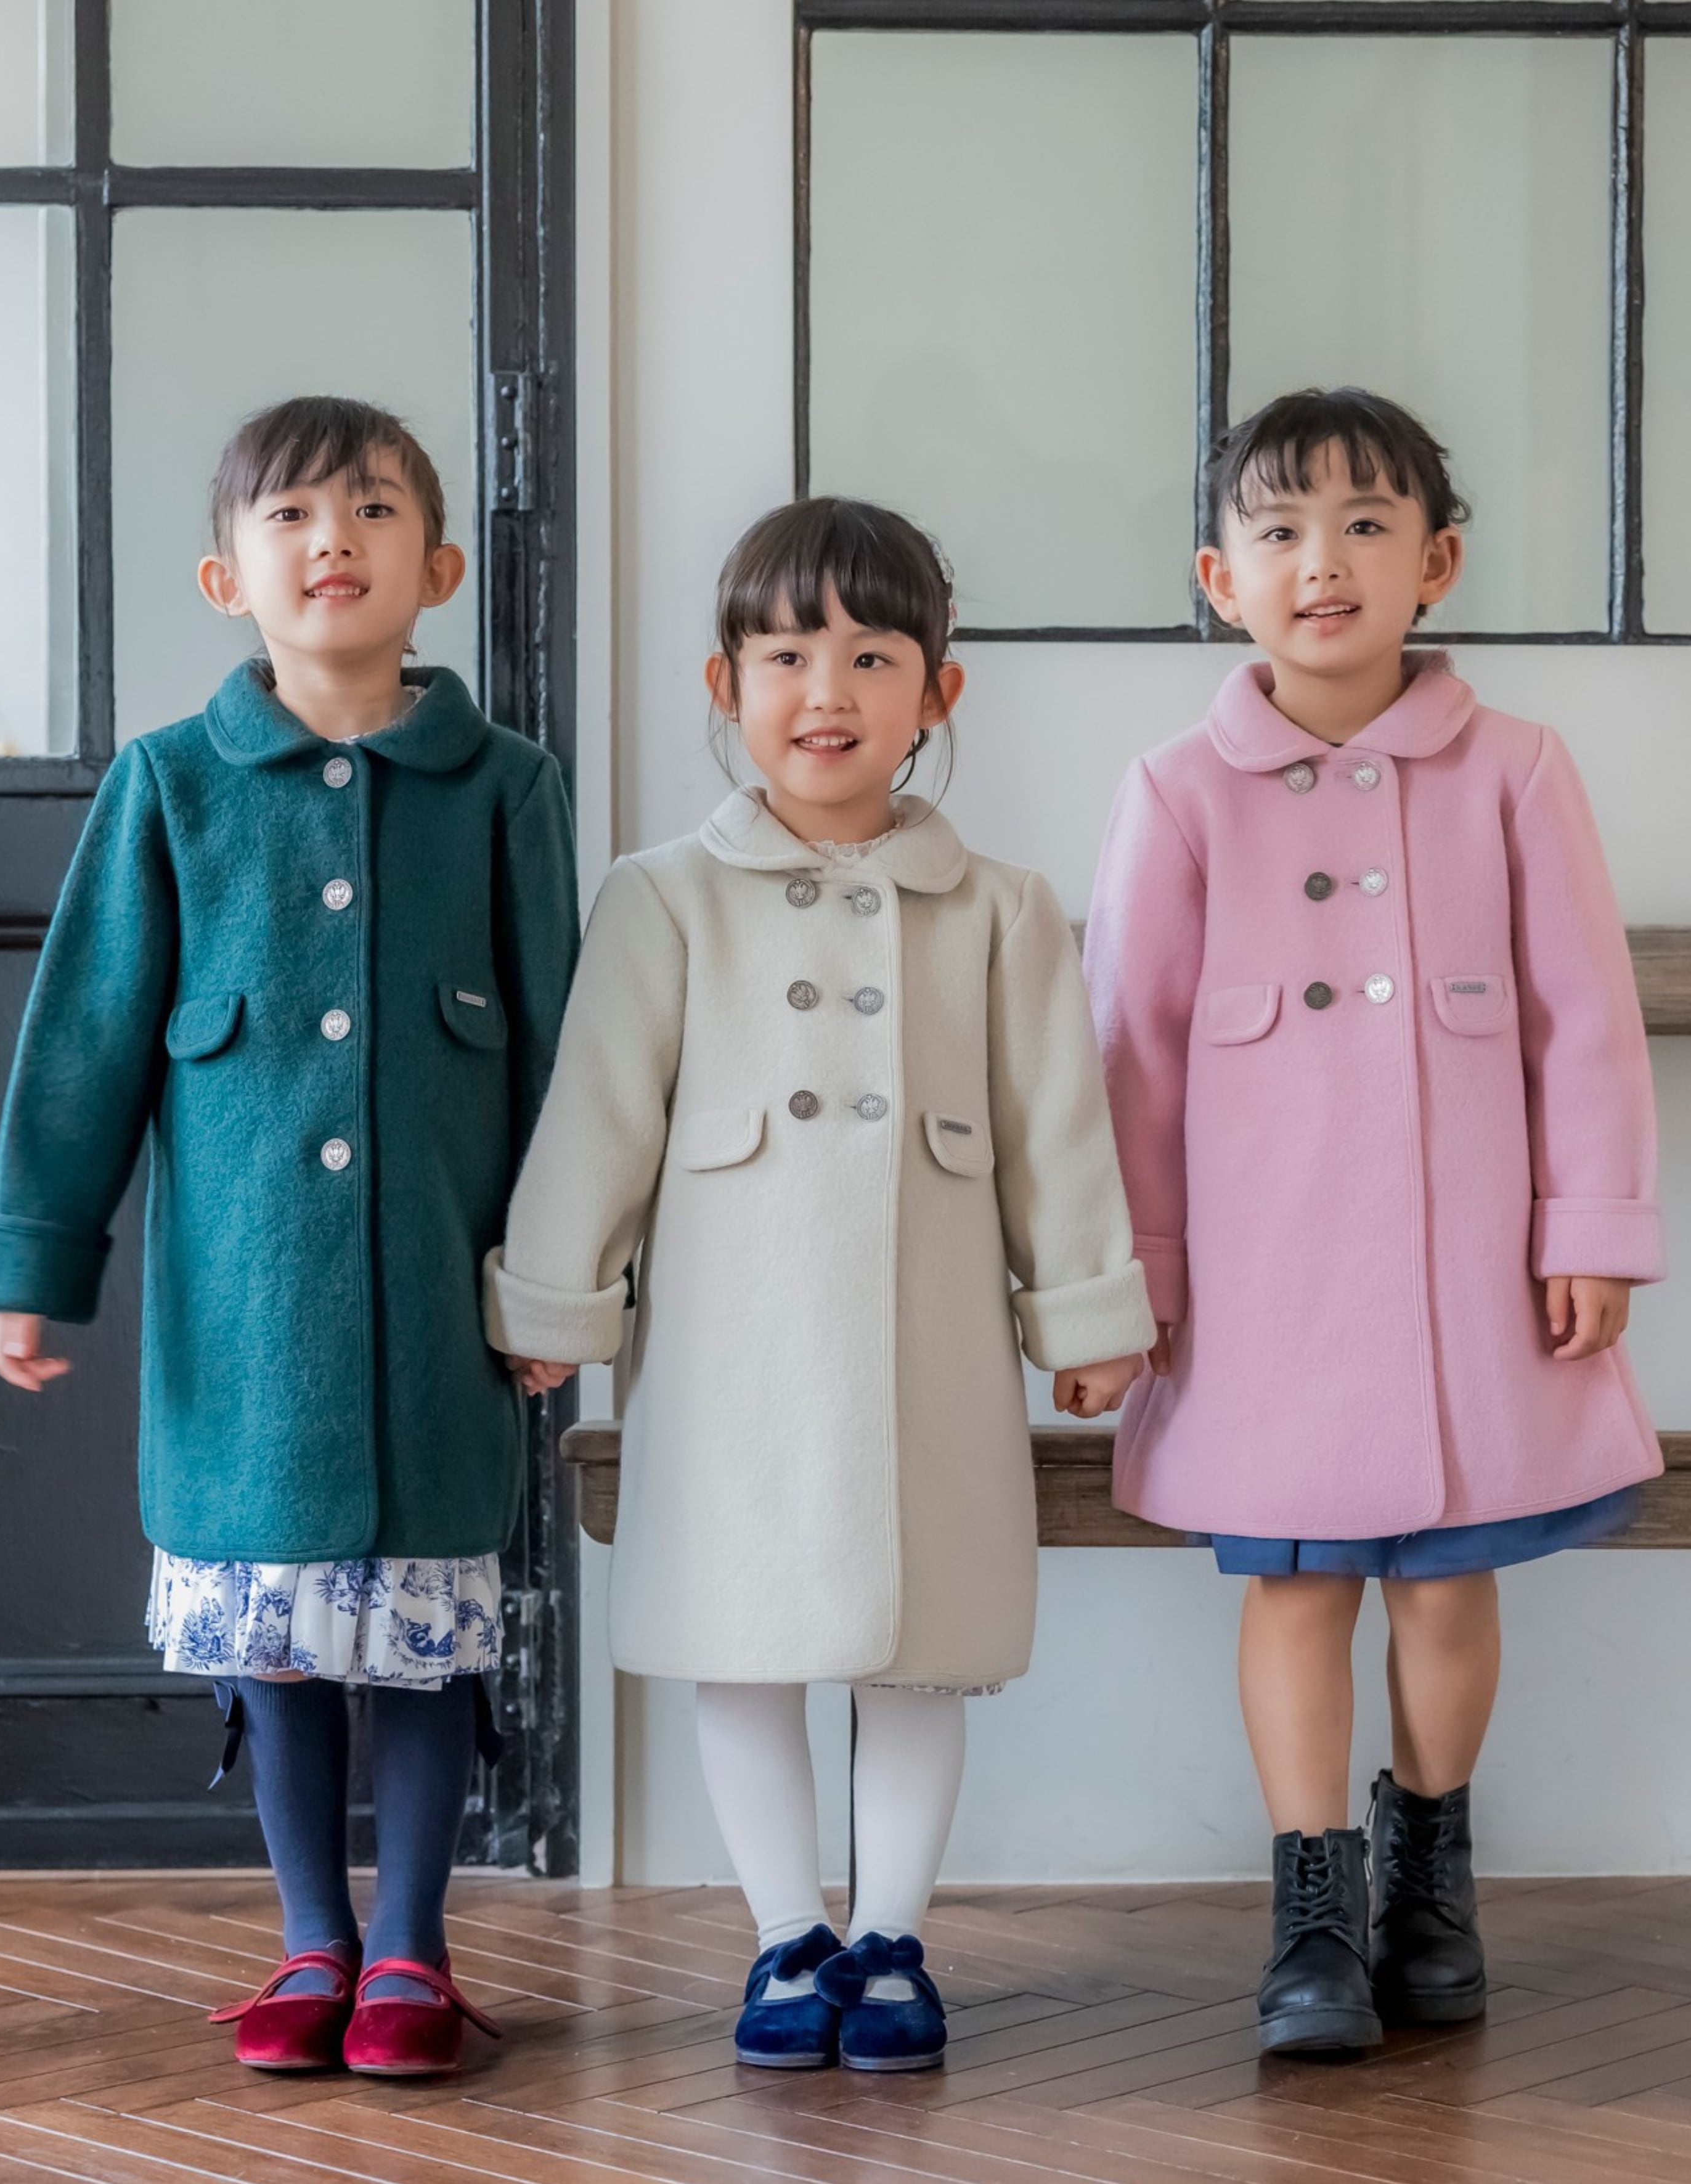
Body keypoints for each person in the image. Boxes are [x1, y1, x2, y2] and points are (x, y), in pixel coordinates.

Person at [487, 496, 1154, 2072]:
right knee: (743, 1633)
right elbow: (599, 1111)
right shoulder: (663, 893)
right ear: (725, 686)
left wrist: (1082, 1311)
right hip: (733, 1340)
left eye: (870, 654)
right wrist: (559, 1302)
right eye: (784, 655)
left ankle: (894, 1936)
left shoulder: (1000, 906)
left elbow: (1058, 1127)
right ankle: (787, 1932)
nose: (826, 690)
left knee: (926, 1642)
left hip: (932, 1342)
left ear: (938, 689)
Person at [0, 395, 578, 2076]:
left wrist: (557, 1286)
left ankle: (412, 1952)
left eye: (373, 511)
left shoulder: (506, 789)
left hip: (443, 1319)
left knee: (431, 1638)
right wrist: (34, 1266)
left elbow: (564, 1058)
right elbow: (86, 1042)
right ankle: (313, 1940)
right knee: (277, 1640)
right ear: (224, 576)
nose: (333, 542)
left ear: (436, 567)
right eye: (293, 516)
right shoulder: (169, 786)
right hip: (239, 1326)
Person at [1086, 387, 1664, 2055]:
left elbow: (1582, 1018)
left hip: (1471, 1271)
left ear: (1437, 562)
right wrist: (1142, 1278)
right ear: (1220, 579)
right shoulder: (1178, 791)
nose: (1320, 562)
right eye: (1276, 532)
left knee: (1448, 1581)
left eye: (1362, 525)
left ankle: (1429, 1875)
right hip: (1257, 1285)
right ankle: (1312, 1908)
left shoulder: (1514, 770)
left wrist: (1590, 1225)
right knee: (1291, 1584)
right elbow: (1130, 1055)